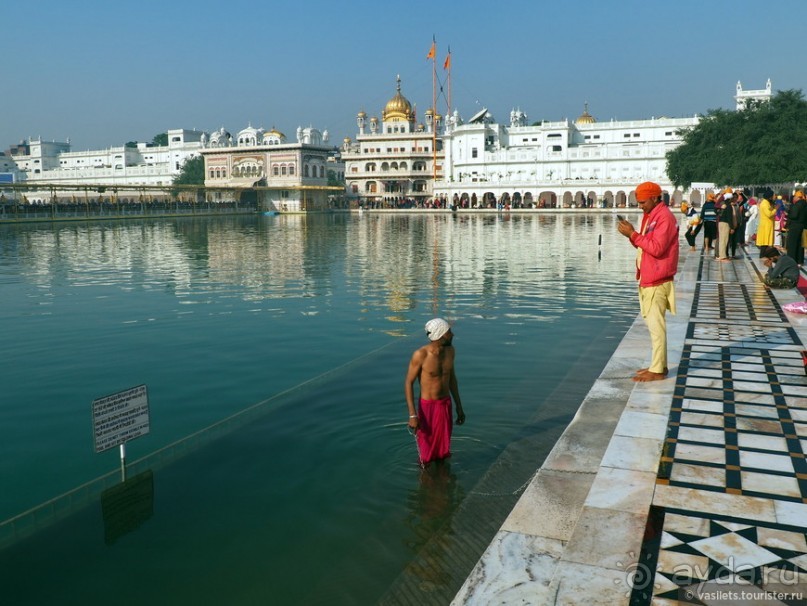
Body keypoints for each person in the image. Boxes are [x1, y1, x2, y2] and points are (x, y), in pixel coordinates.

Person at [618, 182, 679, 382]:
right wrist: (632, 235)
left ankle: (658, 370)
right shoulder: (651, 216)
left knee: (656, 326)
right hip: (648, 275)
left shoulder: (664, 218)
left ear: (654, 198)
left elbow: (657, 248)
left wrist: (632, 234)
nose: (640, 206)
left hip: (657, 278)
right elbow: (644, 244)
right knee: (653, 325)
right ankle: (657, 364)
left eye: (643, 202)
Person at [405, 318, 465, 465]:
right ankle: (425, 481)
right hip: (427, 409)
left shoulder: (451, 351)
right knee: (425, 456)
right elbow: (408, 383)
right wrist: (413, 415)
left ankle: (442, 480)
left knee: (443, 452)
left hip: (445, 405)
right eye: (449, 332)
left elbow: (452, 380)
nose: (452, 334)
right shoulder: (421, 355)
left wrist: (459, 407)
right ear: (440, 335)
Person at [785, 190, 806, 266]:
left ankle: (792, 261)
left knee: (792, 244)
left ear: (797, 197)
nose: (793, 198)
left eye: (794, 197)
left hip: (795, 226)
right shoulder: (805, 204)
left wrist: (787, 214)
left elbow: (794, 216)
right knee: (800, 244)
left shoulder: (796, 205)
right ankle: (800, 261)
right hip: (803, 226)